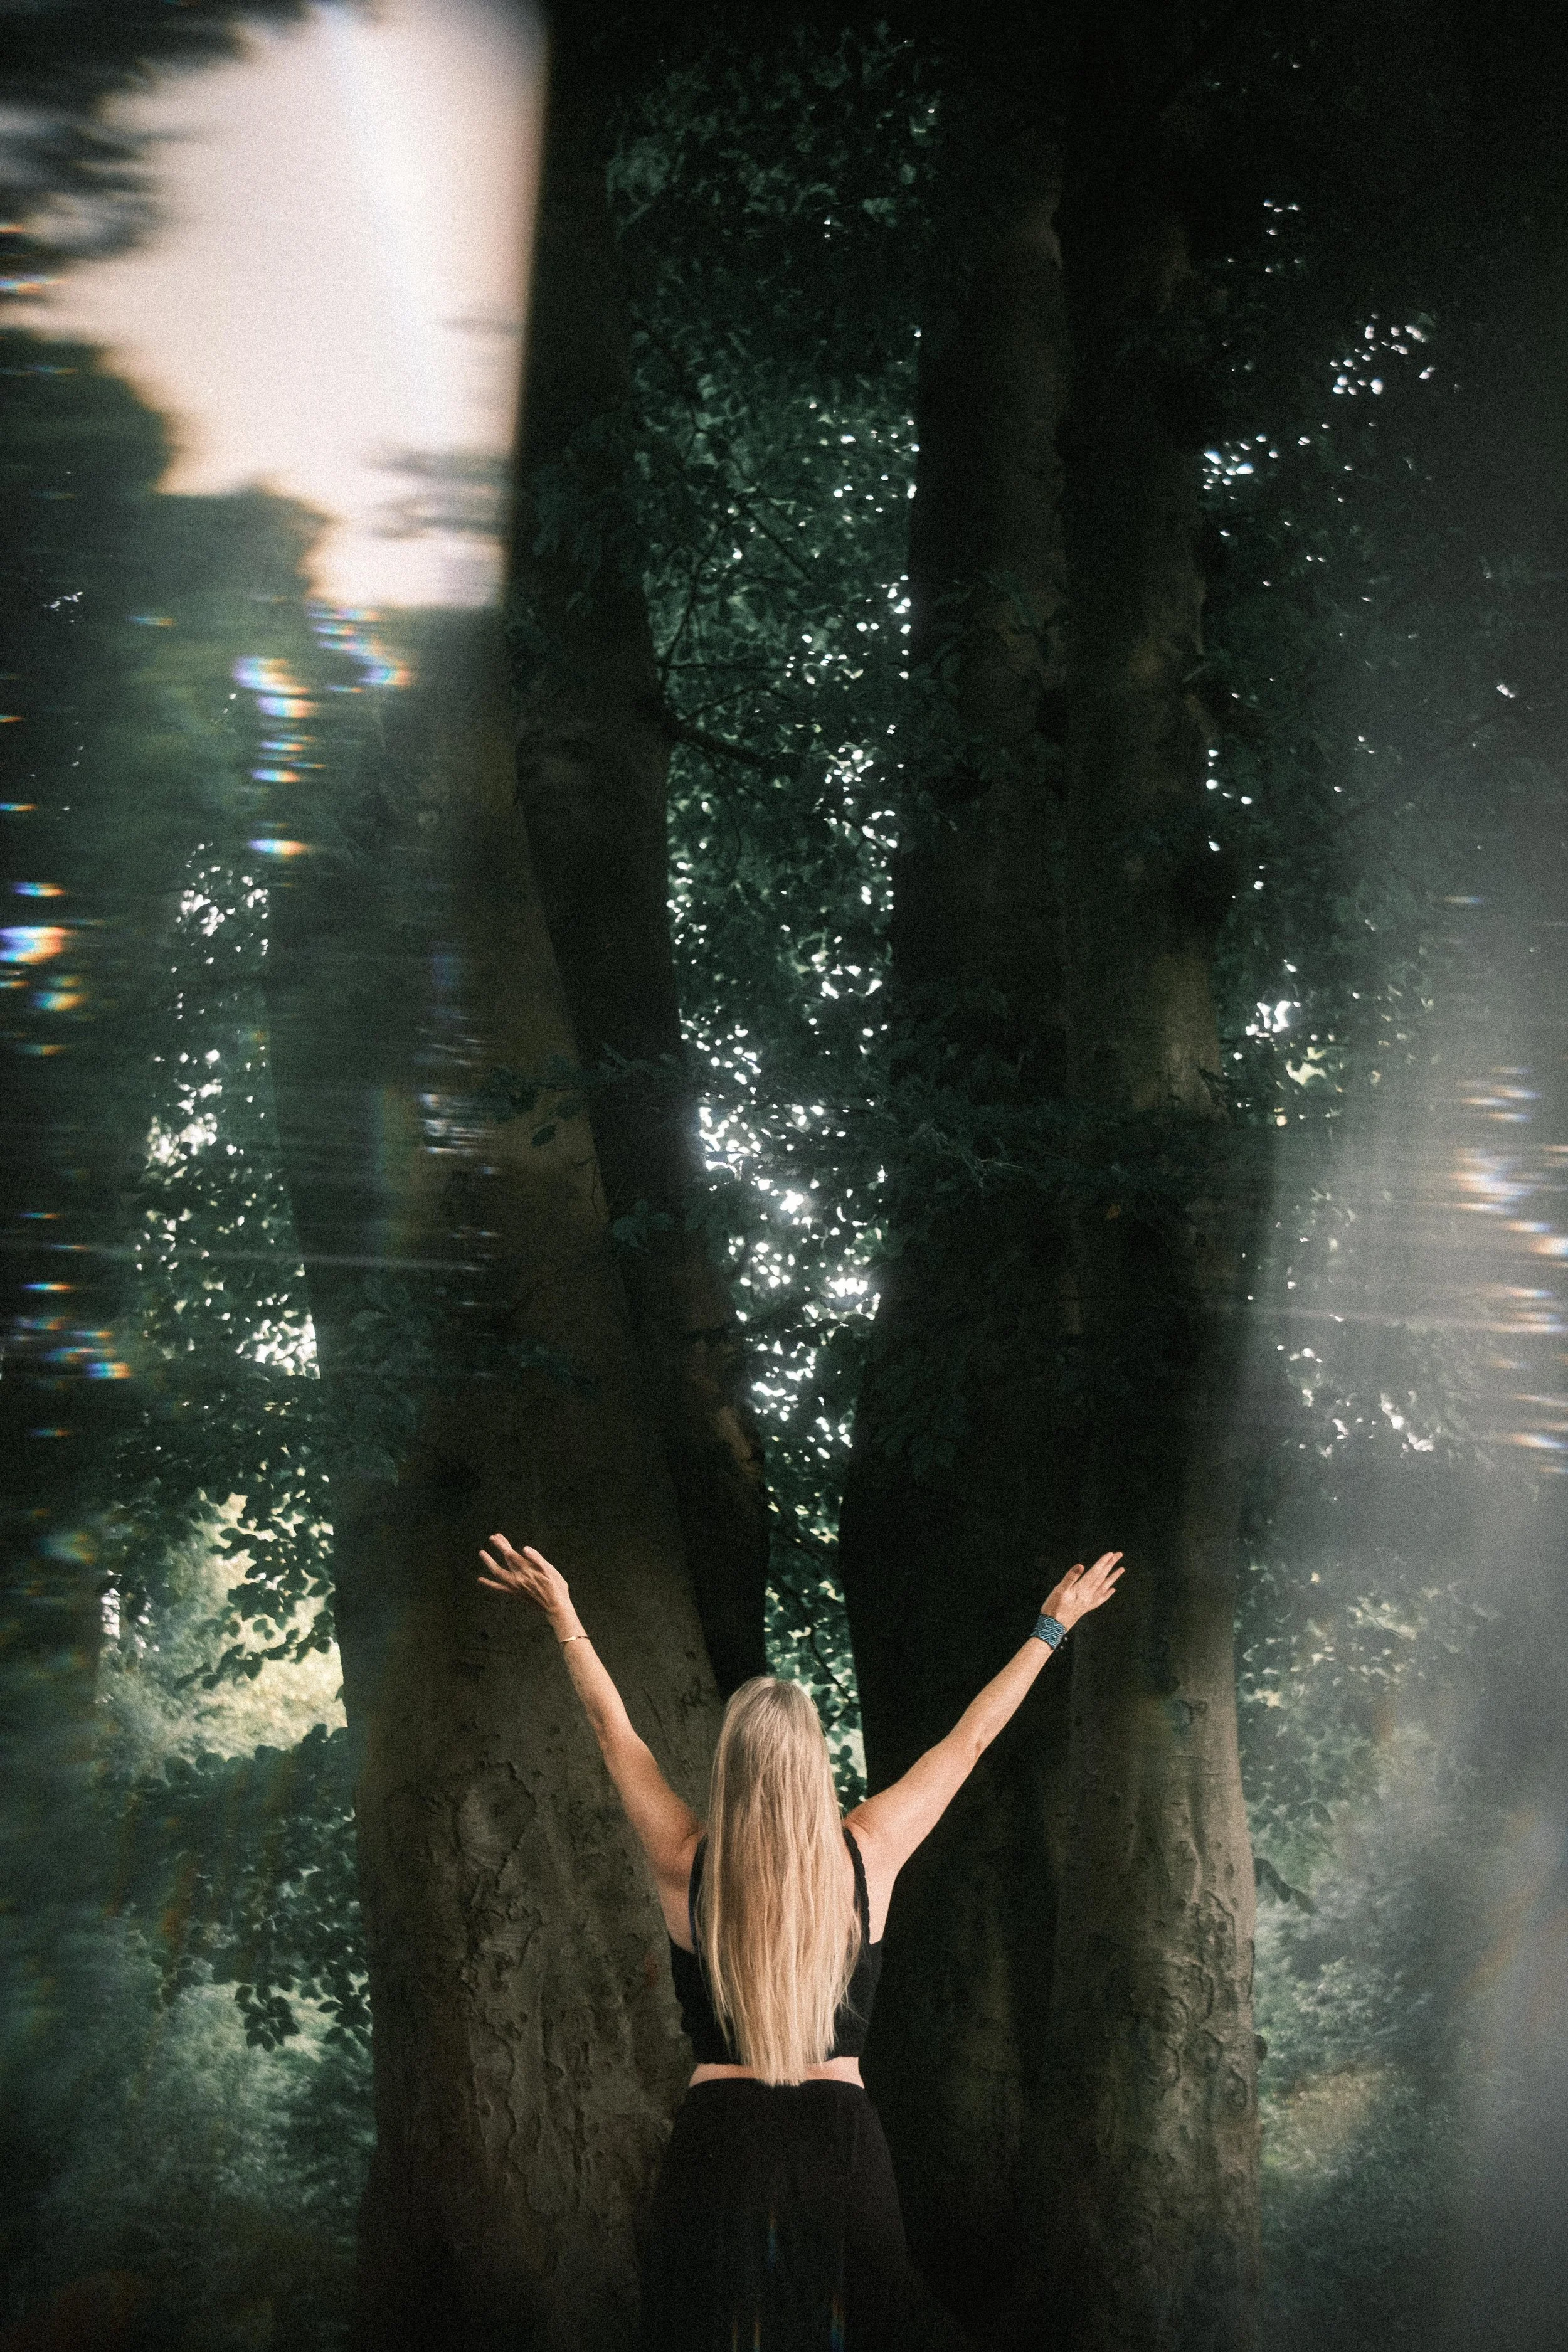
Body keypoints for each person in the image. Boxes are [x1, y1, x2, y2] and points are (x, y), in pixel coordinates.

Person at [477, 1532, 1125, 2351]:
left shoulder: (686, 1856)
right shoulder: (871, 1845)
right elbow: (968, 1743)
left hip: (720, 2133)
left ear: (732, 1765)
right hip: (839, 2132)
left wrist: (566, 1617)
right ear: (814, 1762)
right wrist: (1050, 1629)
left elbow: (617, 1737)